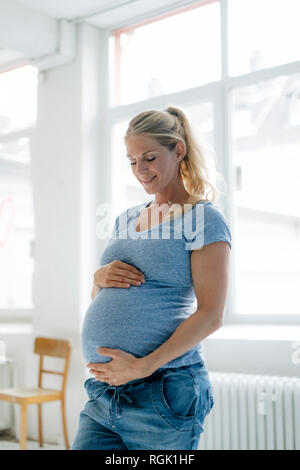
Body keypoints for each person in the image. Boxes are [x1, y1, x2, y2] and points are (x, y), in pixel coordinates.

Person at [71, 106, 232, 450]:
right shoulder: (125, 219)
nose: (140, 171)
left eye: (149, 158)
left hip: (163, 389)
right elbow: (103, 297)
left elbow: (211, 315)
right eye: (132, 161)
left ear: (179, 150)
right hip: (104, 395)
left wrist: (143, 367)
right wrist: (98, 278)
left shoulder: (204, 218)